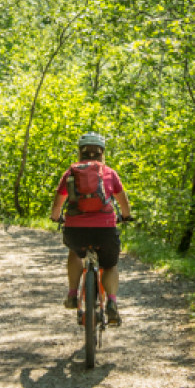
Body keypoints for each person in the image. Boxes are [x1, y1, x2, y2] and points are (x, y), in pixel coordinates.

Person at [50, 132, 132, 325]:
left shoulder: (71, 172)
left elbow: (57, 204)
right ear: (102, 153)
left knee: (75, 252)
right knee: (110, 265)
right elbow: (123, 202)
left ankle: (72, 294)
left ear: (80, 153)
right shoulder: (110, 173)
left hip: (76, 229)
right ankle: (111, 302)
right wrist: (126, 216)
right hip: (105, 229)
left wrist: (56, 217)